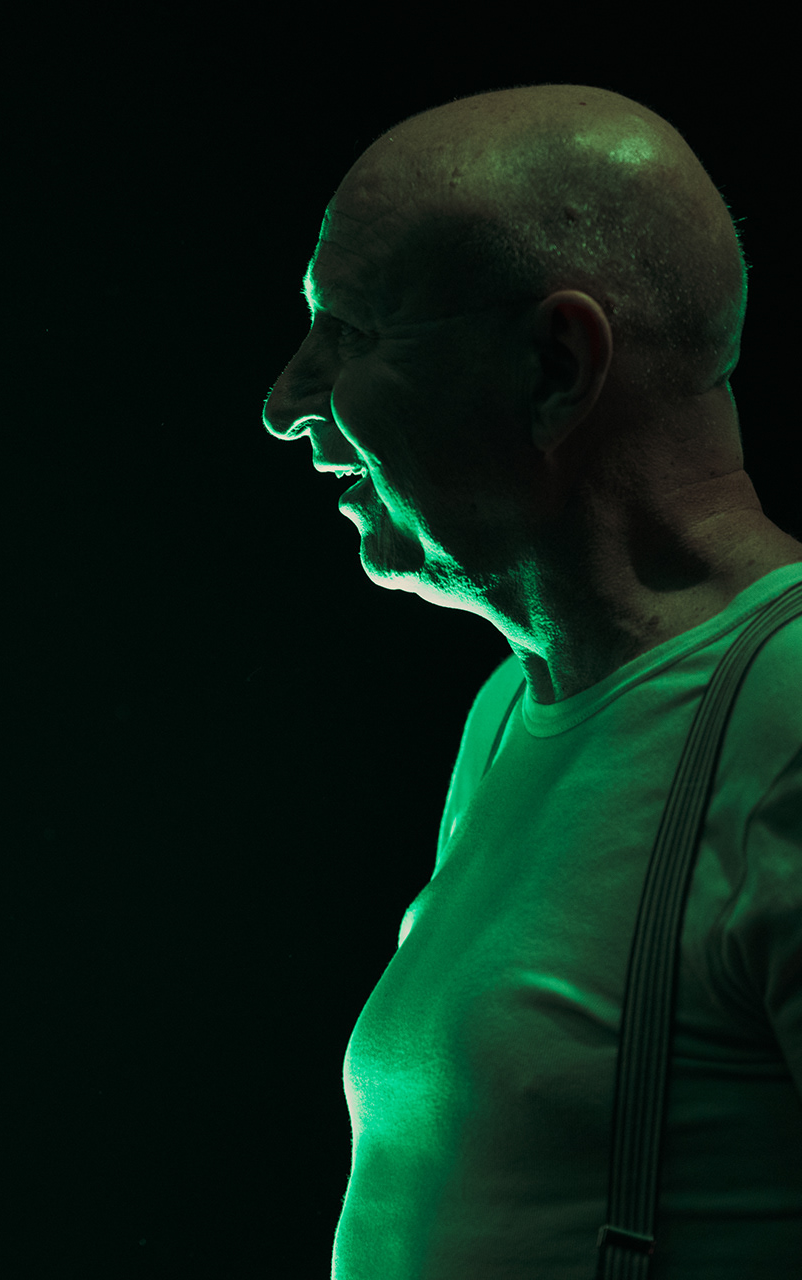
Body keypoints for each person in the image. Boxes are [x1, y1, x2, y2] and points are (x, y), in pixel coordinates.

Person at [261, 85, 800, 1276]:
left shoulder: (788, 715)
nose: (285, 404)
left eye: (353, 333)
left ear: (558, 364)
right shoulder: (513, 707)